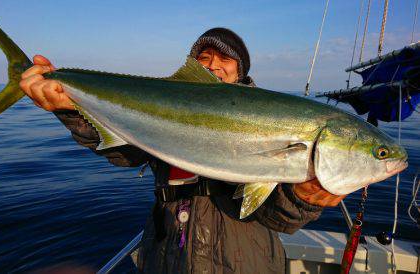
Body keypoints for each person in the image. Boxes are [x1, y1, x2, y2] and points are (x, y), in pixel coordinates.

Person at [20, 28, 345, 273]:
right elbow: (124, 152)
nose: (213, 65)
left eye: (225, 59)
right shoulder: (166, 105)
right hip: (165, 256)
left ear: (240, 71)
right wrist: (71, 111)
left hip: (242, 262)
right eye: (203, 59)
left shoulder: (277, 120)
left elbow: (278, 220)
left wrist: (301, 199)